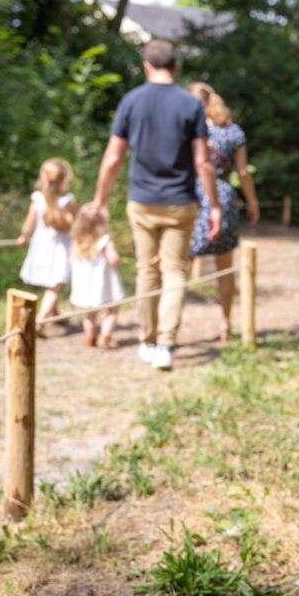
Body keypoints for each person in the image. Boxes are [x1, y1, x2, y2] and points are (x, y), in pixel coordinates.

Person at [90, 39, 221, 371]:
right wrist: (214, 205)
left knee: (147, 270)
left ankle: (147, 340)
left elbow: (113, 158)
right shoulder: (190, 105)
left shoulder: (131, 101)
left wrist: (100, 198)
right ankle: (165, 344)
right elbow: (203, 163)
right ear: (176, 68)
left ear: (146, 66)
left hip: (142, 201)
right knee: (174, 271)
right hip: (181, 202)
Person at [187, 82, 260, 342]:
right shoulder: (233, 132)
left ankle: (168, 325)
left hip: (191, 195)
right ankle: (225, 323)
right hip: (224, 196)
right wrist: (251, 202)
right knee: (224, 267)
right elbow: (242, 172)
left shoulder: (188, 128)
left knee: (178, 264)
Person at [16, 157, 77, 334]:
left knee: (51, 285)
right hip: (61, 249)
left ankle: (55, 314)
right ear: (65, 179)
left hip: (41, 248)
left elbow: (28, 225)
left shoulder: (38, 200)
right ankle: (39, 322)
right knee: (54, 287)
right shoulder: (68, 201)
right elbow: (78, 222)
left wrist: (23, 237)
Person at [70, 204, 124, 348]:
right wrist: (119, 259)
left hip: (87, 286)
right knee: (113, 310)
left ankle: (90, 337)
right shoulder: (105, 240)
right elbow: (114, 260)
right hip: (104, 284)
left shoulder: (78, 241)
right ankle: (105, 337)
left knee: (90, 315)